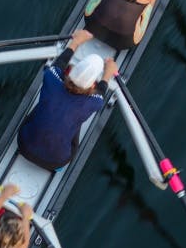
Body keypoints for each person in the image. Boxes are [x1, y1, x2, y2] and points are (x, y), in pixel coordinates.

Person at [17, 29, 117, 170]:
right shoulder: (95, 102)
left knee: (43, 106)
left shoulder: (50, 77)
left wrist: (76, 41)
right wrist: (108, 72)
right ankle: (58, 167)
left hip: (23, 145)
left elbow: (60, 62)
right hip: (56, 163)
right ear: (93, 84)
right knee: (75, 123)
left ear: (71, 71)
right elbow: (101, 90)